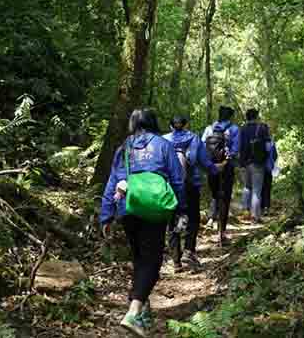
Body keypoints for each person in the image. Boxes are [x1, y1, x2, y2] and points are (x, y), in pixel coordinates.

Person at [100, 108, 186, 337]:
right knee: (152, 260)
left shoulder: (124, 148)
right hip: (155, 208)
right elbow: (177, 180)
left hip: (127, 207)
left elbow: (112, 181)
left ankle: (141, 313)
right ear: (153, 123)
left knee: (140, 257)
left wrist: (106, 215)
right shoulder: (164, 145)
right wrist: (181, 209)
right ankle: (134, 311)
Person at [163, 115, 224, 270]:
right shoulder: (194, 138)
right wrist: (216, 169)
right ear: (186, 125)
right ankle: (188, 251)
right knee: (193, 219)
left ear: (170, 126)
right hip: (191, 184)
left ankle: (176, 261)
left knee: (172, 219)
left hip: (169, 186)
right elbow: (204, 161)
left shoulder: (164, 140)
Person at [202, 106, 240, 246]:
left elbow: (201, 147)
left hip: (211, 168)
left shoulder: (209, 129)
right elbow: (235, 150)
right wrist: (225, 162)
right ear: (230, 116)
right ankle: (221, 234)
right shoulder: (234, 129)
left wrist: (209, 165)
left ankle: (212, 219)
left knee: (215, 195)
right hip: (226, 167)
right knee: (225, 198)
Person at [239, 108, 271, 223]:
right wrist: (267, 157)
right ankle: (255, 216)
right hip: (258, 162)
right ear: (256, 116)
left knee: (247, 187)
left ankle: (244, 211)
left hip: (245, 163)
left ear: (247, 117)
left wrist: (241, 162)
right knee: (257, 190)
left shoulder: (242, 129)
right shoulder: (262, 128)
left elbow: (240, 146)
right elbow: (268, 146)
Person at [261, 141, 278, 215]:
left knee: (259, 188)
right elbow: (275, 155)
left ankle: (259, 208)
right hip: (268, 168)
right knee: (267, 188)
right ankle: (266, 207)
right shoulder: (271, 143)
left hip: (259, 168)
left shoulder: (257, 140)